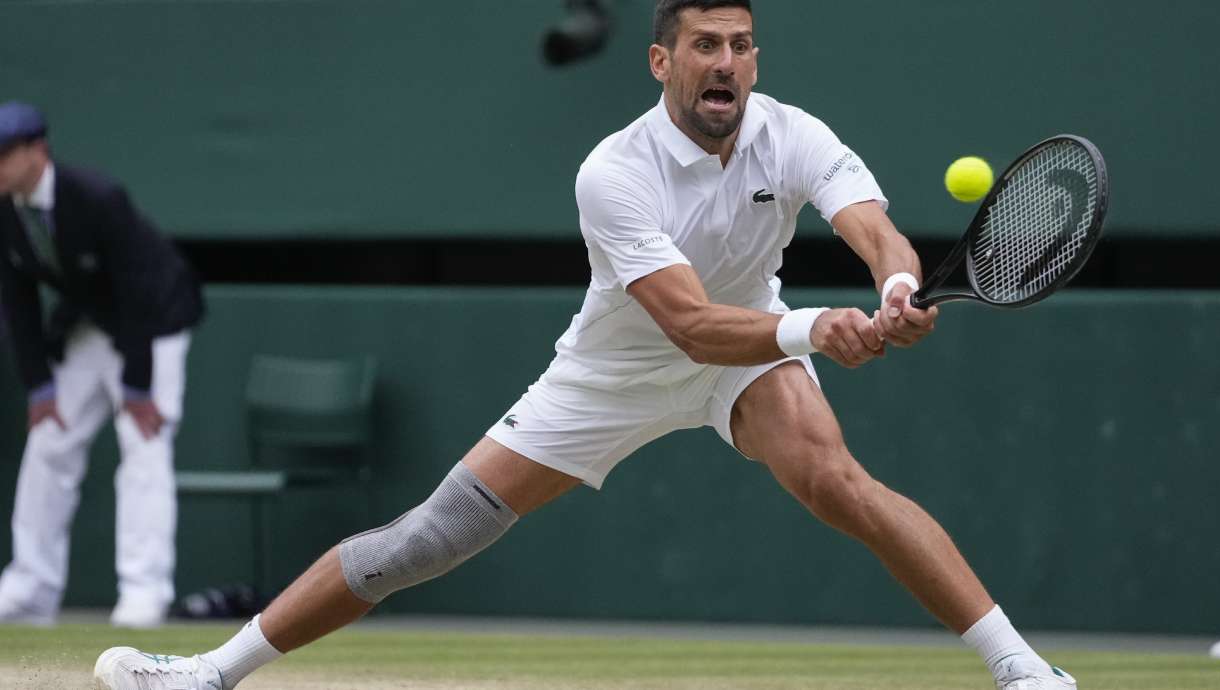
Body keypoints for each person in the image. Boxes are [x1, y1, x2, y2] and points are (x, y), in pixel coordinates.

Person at [92, 1, 1077, 688]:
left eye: (739, 43)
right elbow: (687, 322)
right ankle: (210, 673)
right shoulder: (613, 172)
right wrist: (812, 328)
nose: (725, 61)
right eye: (703, 45)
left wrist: (896, 282)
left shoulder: (793, 134)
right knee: (426, 540)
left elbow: (870, 224)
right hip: (613, 371)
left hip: (750, 362)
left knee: (840, 486)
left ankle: (1022, 671)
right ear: (663, 61)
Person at [0, 101, 204, 628]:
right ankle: (28, 589)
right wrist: (39, 386)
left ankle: (143, 594)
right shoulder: (5, 210)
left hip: (153, 324)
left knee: (144, 446)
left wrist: (138, 387)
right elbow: (16, 298)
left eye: (3, 155)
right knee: (49, 442)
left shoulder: (97, 198)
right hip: (90, 326)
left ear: (36, 151)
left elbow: (138, 293)